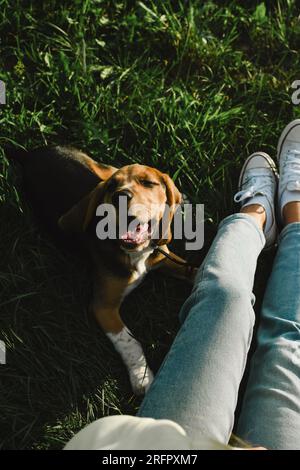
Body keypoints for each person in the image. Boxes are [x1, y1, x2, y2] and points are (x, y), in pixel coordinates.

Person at [65, 119, 300, 450]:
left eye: (145, 183)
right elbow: (104, 304)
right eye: (117, 190)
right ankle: (285, 213)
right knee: (289, 341)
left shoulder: (154, 232)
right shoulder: (103, 226)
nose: (125, 192)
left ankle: (256, 215)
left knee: (219, 297)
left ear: (170, 200)